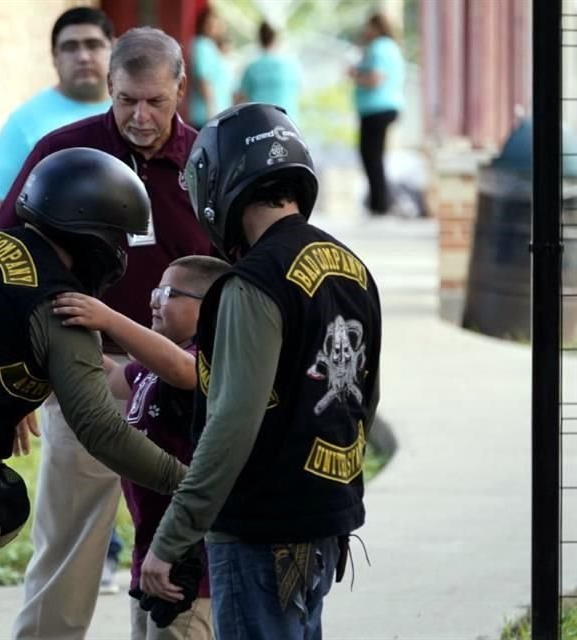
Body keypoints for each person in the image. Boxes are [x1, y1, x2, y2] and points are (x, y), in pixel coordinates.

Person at [0, 147, 189, 640]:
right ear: (96, 237)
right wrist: (190, 483)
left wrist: (0, 389)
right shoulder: (61, 304)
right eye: (118, 236)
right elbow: (101, 429)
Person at [0, 27, 213, 640]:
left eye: (155, 102)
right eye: (125, 101)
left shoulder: (206, 166)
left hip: (177, 384)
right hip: (79, 370)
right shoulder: (64, 153)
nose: (140, 117)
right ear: (108, 89)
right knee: (69, 547)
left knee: (171, 545)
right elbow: (9, 262)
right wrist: (13, 387)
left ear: (180, 90)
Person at [139, 104, 382, 640]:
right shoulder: (352, 268)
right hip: (324, 520)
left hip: (259, 530)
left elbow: (230, 425)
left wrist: (171, 539)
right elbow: (366, 399)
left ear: (222, 181)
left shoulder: (253, 282)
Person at [52, 254, 230, 640]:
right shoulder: (149, 367)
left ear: (211, 308)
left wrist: (110, 319)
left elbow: (182, 372)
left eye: (168, 293)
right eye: (155, 290)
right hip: (149, 547)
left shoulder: (207, 360)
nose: (153, 301)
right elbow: (112, 379)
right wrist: (58, 344)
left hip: (189, 561)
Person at [0, 7, 114, 225]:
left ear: (113, 48)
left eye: (93, 44)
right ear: (54, 57)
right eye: (70, 47)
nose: (83, 57)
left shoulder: (135, 113)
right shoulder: (24, 123)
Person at [348, 11, 405, 215]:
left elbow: (375, 78)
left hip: (376, 108)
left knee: (371, 156)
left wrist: (356, 75)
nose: (366, 31)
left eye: (368, 27)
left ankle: (379, 204)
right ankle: (378, 201)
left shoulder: (379, 47)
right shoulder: (392, 47)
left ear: (376, 27)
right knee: (375, 156)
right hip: (388, 106)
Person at [236, 20, 301, 125]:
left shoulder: (252, 67)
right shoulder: (291, 65)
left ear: (260, 39)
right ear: (276, 39)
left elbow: (239, 97)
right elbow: (297, 89)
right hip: (288, 123)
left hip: (260, 124)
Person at [189, 7, 234, 130]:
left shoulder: (212, 47)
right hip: (208, 115)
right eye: (209, 24)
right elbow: (204, 79)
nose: (214, 27)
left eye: (216, 23)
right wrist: (211, 110)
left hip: (218, 114)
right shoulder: (202, 45)